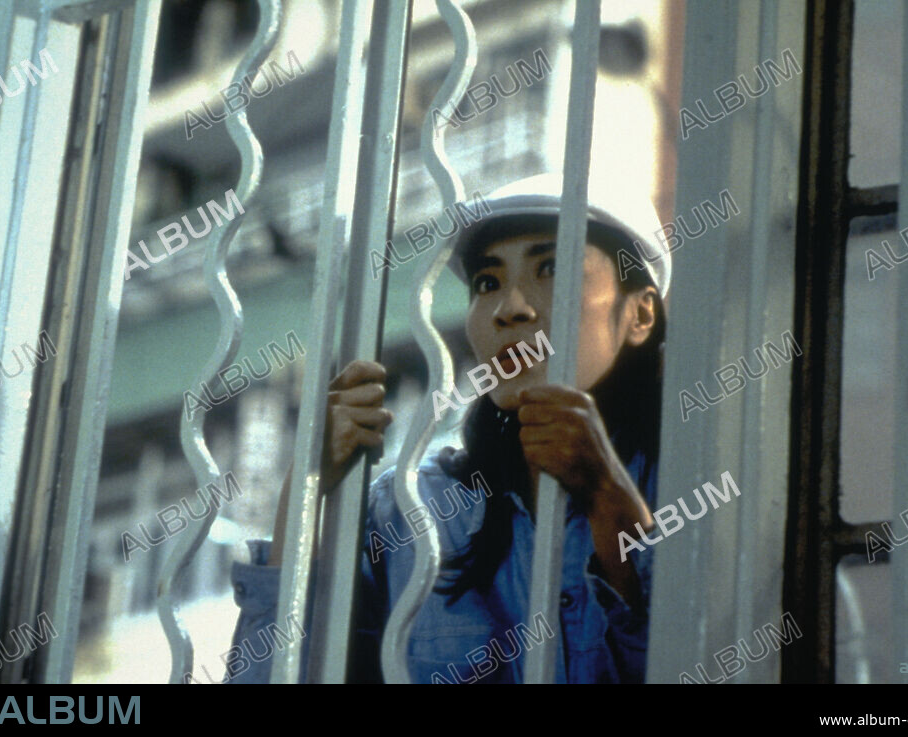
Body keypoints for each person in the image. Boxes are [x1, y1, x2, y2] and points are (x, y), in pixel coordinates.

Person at [226, 173, 671, 683]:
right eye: (488, 282)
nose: (511, 309)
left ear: (640, 314)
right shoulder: (412, 511)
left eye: (552, 268)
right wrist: (304, 492)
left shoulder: (696, 474)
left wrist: (608, 498)